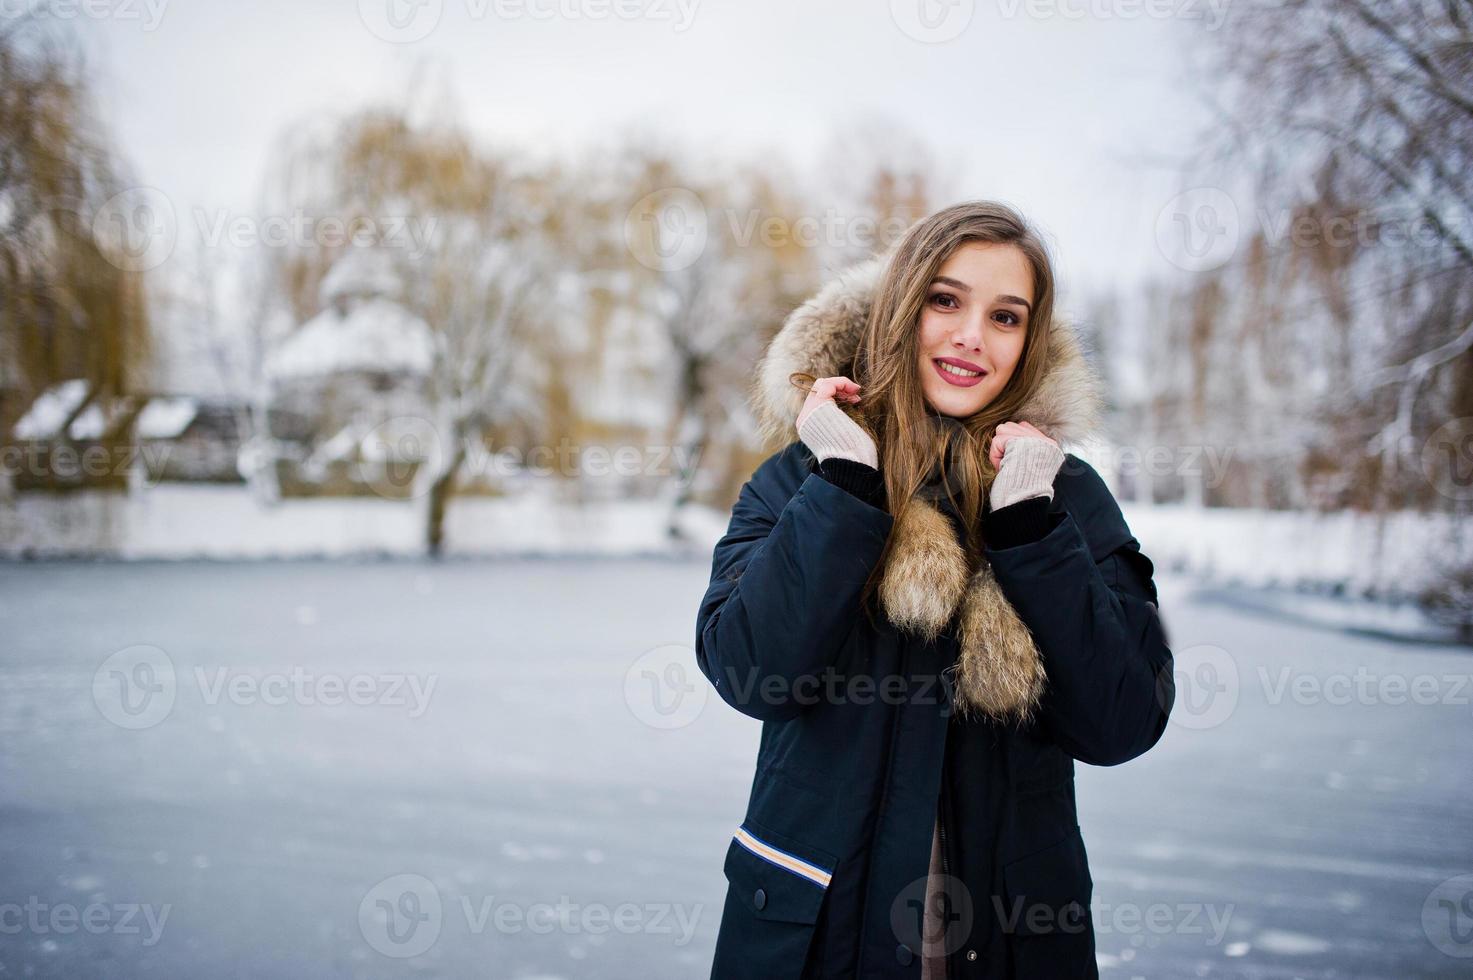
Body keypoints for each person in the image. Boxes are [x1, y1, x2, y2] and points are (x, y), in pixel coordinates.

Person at [694, 200, 1175, 979]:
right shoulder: (796, 482)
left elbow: (1121, 721)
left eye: (1006, 317)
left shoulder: (1067, 497)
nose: (971, 337)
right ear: (898, 307)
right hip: (815, 935)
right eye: (943, 301)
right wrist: (846, 487)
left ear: (1030, 341)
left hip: (1010, 941)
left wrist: (1030, 532)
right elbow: (751, 670)